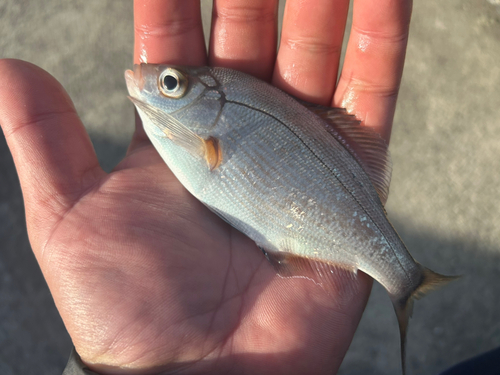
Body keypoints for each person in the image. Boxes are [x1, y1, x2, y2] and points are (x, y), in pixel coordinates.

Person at [0, 0, 412, 374]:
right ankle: (407, 282)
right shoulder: (189, 129)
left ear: (208, 100)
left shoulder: (206, 126)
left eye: (171, 84)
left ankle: (405, 280)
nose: (151, 81)